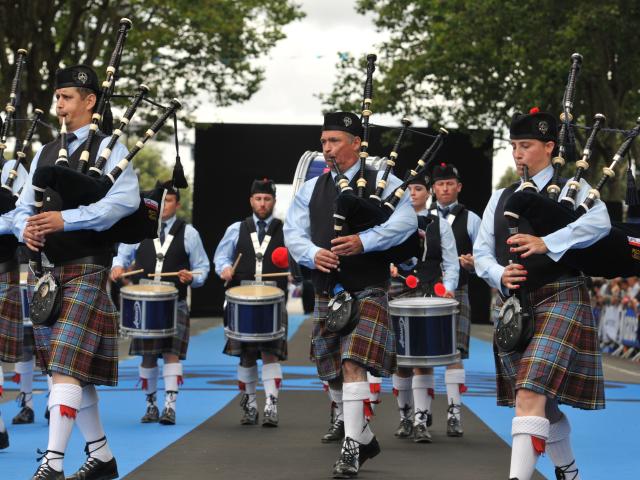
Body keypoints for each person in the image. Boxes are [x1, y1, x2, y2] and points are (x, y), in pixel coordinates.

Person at [14, 64, 139, 480]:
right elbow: (22, 207)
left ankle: (52, 464)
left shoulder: (113, 149)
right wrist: (27, 227)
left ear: (89, 101)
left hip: (86, 268)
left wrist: (67, 220)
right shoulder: (44, 152)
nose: (59, 105)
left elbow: (121, 204)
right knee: (67, 372)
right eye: (58, 98)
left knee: (65, 366)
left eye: (66, 97)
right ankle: (102, 456)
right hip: (47, 272)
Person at [473, 109, 610, 480]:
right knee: (542, 407)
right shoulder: (500, 197)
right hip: (516, 306)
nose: (518, 153)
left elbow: (601, 223)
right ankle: (568, 470)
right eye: (515, 146)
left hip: (562, 297)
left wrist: (547, 242)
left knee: (529, 393)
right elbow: (483, 251)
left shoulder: (574, 190)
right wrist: (500, 273)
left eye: (527, 145)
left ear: (549, 147)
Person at [284, 112, 417, 478]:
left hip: (368, 287)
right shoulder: (312, 189)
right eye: (323, 142)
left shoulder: (385, 181)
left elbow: (405, 223)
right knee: (332, 372)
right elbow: (293, 232)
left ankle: (351, 447)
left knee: (352, 364)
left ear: (356, 143)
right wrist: (313, 254)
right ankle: (366, 438)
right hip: (328, 288)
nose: (326, 149)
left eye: (334, 141)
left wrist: (364, 241)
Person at [110, 181, 210, 426]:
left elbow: (203, 268)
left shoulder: (189, 233)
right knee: (147, 356)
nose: (164, 205)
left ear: (177, 203)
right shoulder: (140, 229)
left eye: (169, 200)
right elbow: (121, 256)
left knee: (171, 353)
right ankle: (151, 404)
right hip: (144, 303)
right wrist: (117, 267)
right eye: (161, 200)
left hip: (174, 300)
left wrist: (193, 277)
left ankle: (170, 407)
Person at [389, 173, 459, 443]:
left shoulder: (439, 224)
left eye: (419, 189)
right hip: (396, 292)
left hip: (428, 292)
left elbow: (451, 262)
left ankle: (420, 419)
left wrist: (449, 287)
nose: (413, 193)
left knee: (423, 360)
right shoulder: (391, 221)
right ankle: (405, 417)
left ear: (428, 192)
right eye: (409, 189)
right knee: (401, 361)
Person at [214, 179, 289, 427]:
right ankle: (250, 405)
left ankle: (271, 406)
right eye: (258, 198)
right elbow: (222, 256)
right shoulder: (237, 228)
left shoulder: (285, 230)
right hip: (243, 301)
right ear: (251, 201)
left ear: (274, 202)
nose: (262, 203)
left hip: (273, 301)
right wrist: (225, 268)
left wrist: (294, 272)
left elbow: (298, 262)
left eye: (267, 199)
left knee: (270, 354)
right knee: (245, 356)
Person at [427, 162, 482, 437]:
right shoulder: (421, 217)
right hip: (423, 292)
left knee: (454, 353)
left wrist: (474, 262)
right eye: (440, 184)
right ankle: (420, 415)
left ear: (458, 187)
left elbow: (486, 256)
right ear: (433, 188)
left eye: (450, 183)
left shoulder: (471, 218)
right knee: (419, 353)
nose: (445, 188)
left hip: (456, 291)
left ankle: (454, 413)